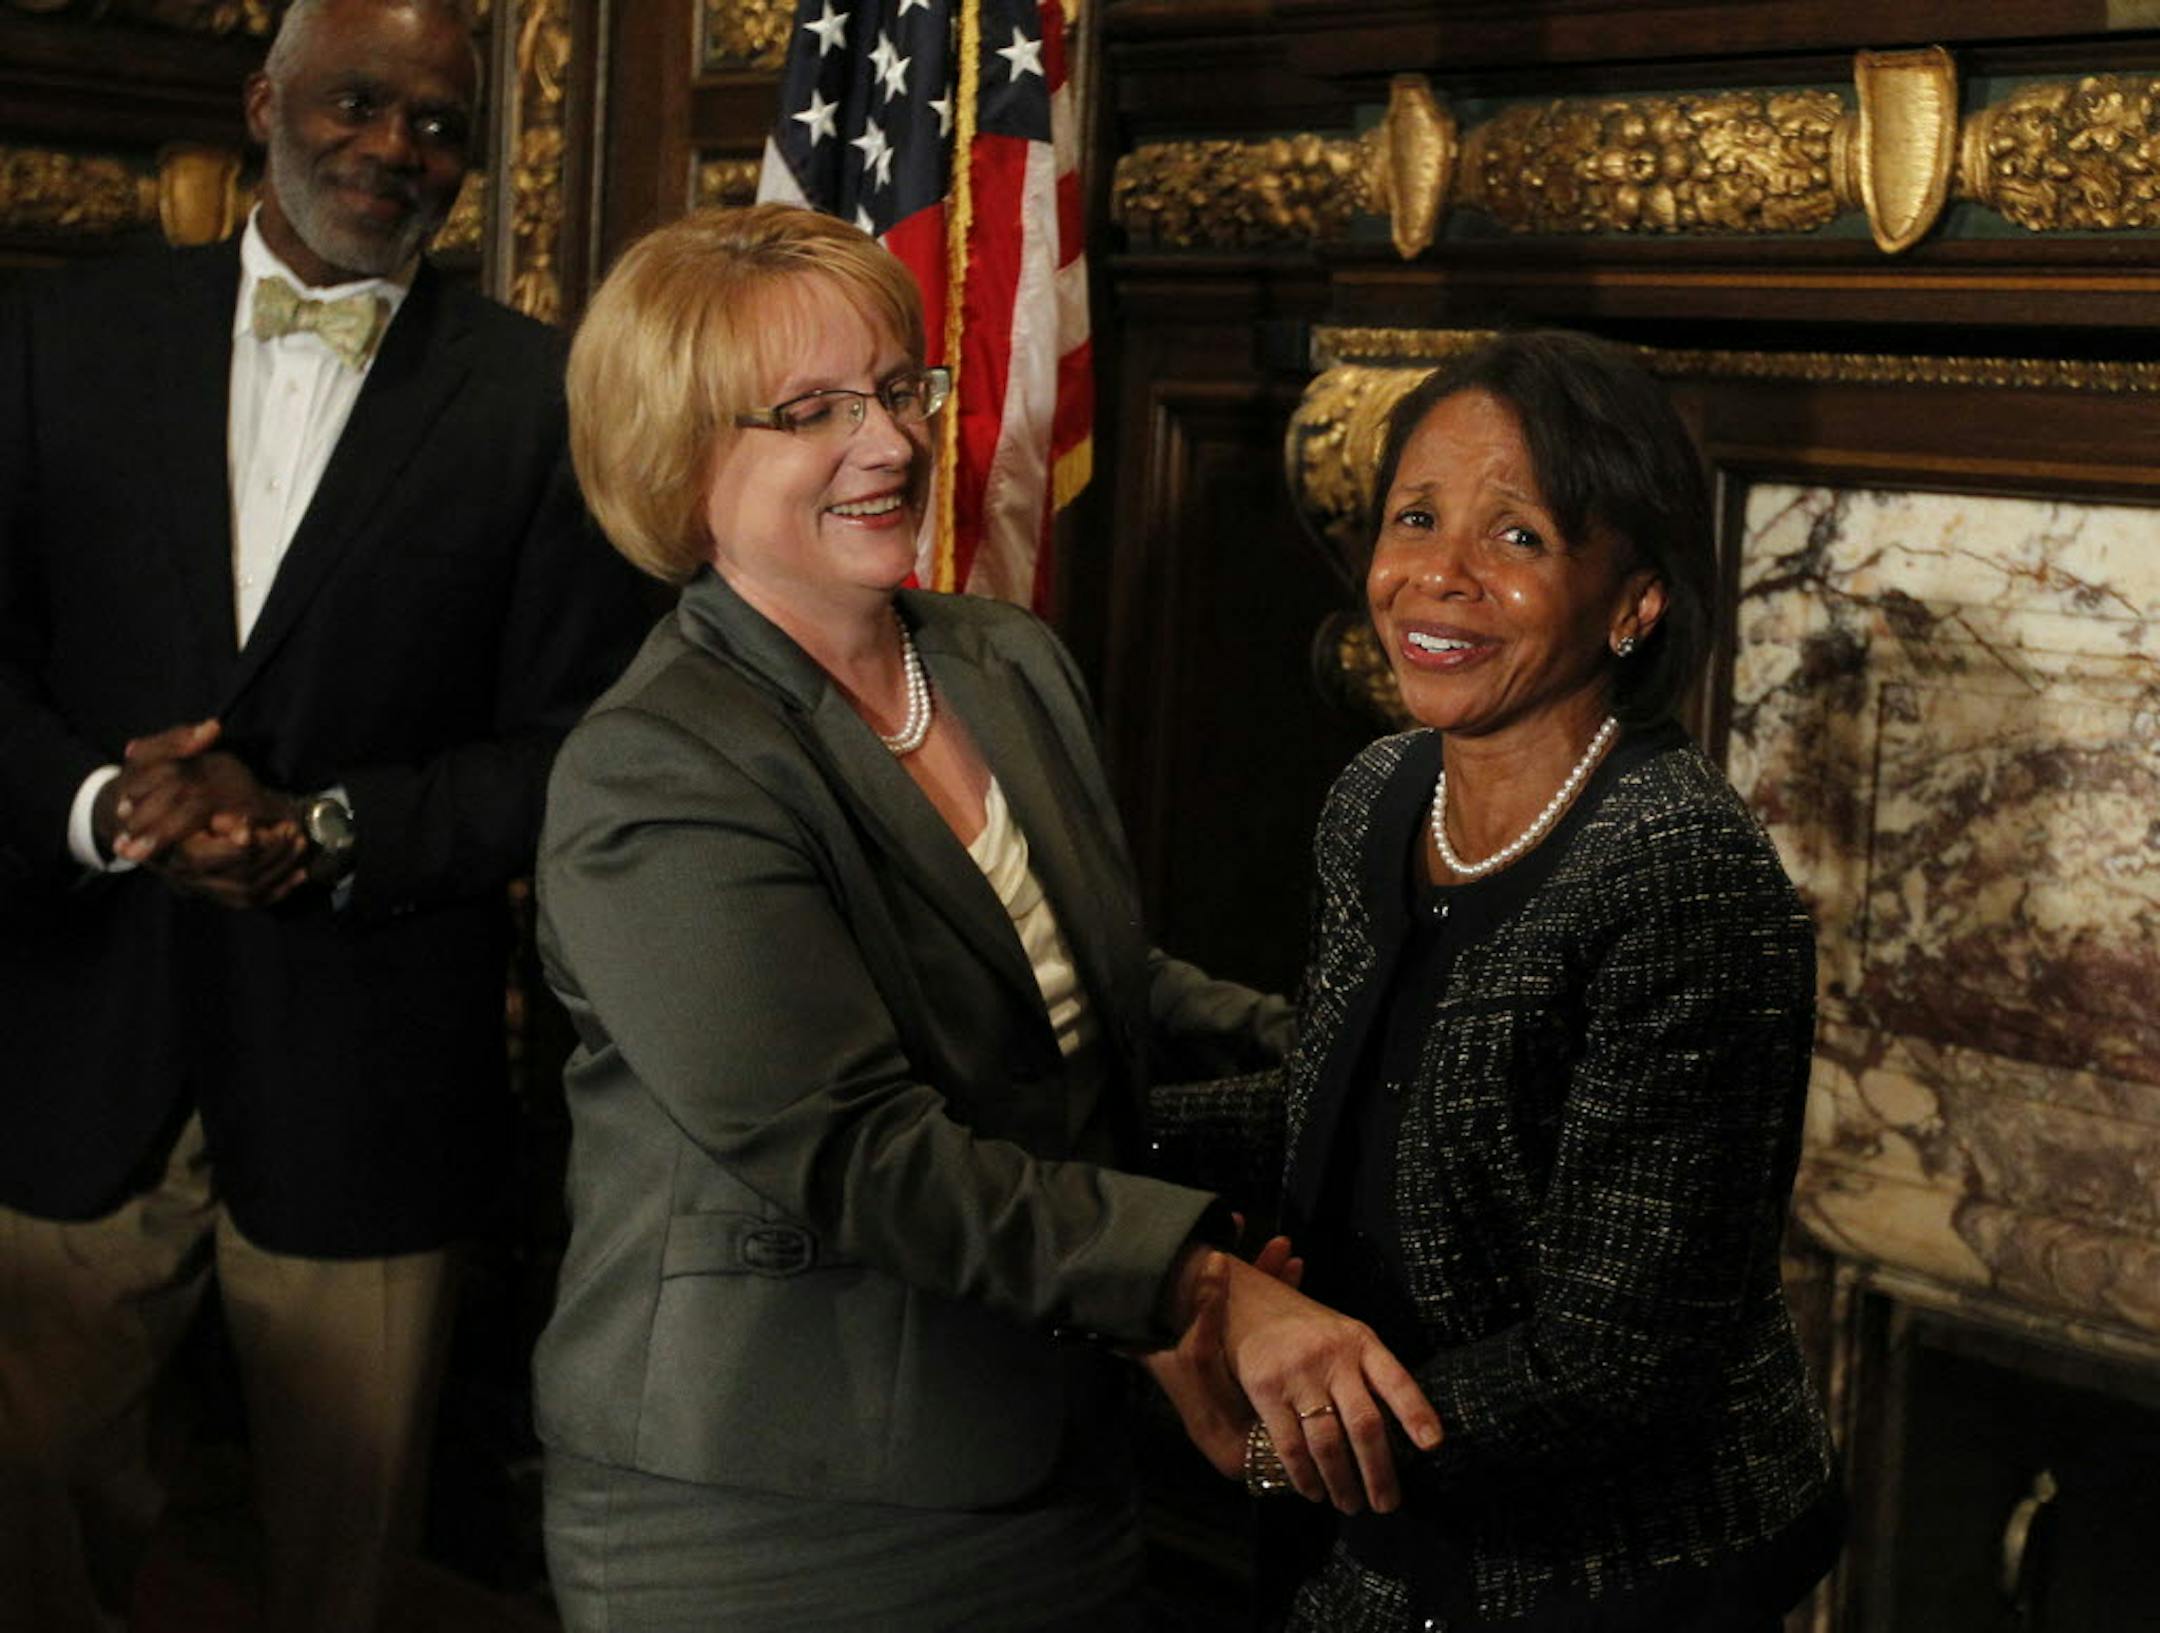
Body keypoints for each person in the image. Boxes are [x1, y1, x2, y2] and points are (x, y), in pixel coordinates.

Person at [530, 202, 1442, 1632]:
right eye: (813, 411)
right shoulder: (657, 768)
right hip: (773, 1499)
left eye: (899, 388)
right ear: (678, 454)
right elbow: (858, 1147)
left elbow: (1100, 986)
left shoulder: (1003, 659)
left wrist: (1371, 1064)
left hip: (1051, 1435)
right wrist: (1198, 1283)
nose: (890, 443)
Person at [0, 2, 649, 1628]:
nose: (394, 149)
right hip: (82, 1054)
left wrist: (331, 830)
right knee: (32, 1536)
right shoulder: (61, 339)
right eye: (357, 103)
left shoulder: (538, 397)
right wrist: (101, 804)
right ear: (263, 104)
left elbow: (572, 748)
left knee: (339, 1577)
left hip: (370, 1080)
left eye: (437, 125)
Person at [1151, 331, 1843, 1631]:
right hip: (1386, 1529)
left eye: (1517, 536)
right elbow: (1339, 1107)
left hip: (1613, 1571)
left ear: (1634, 602)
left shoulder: (1682, 877)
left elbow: (1619, 1357)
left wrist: (1279, 1445)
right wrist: (1087, 1166)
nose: (1438, 574)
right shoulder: (1380, 794)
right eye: (1415, 517)